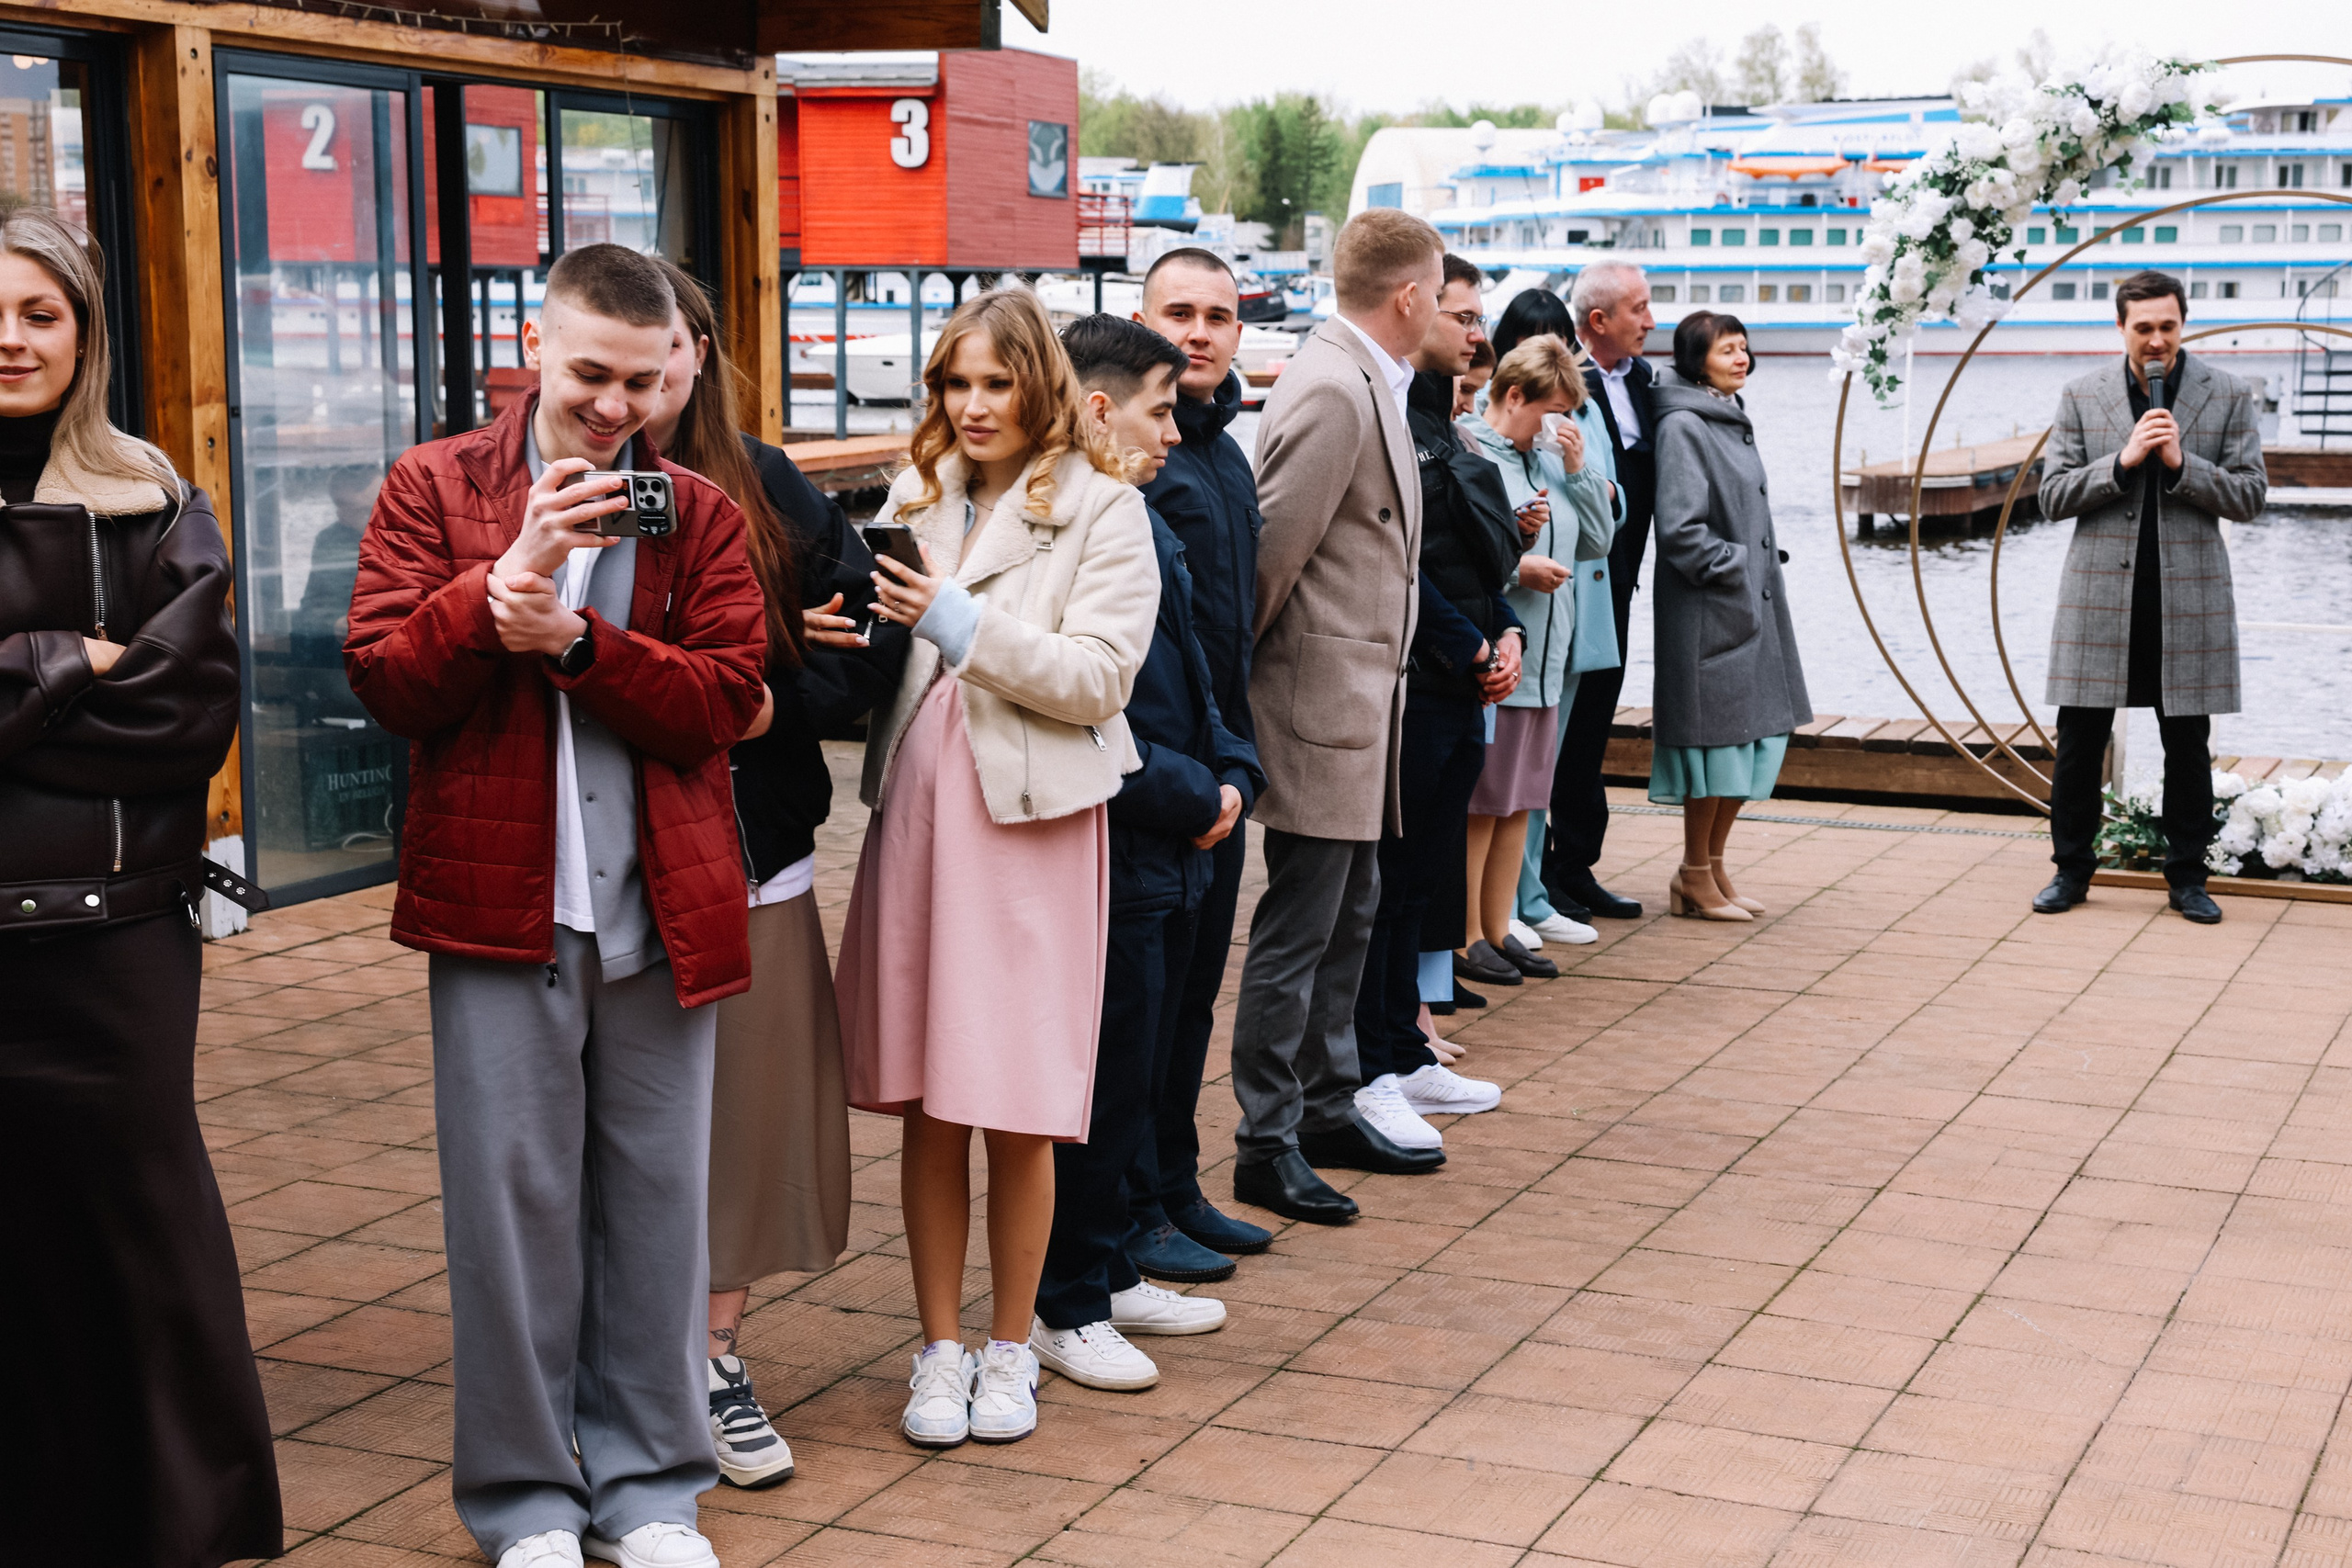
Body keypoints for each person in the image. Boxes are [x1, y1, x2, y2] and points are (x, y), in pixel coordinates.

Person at [346, 243, 766, 1568]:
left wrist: (579, 647)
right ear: (537, 344)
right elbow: (385, 682)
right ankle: (527, 1499)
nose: (616, 404)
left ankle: (650, 1489)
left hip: (662, 909)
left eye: (643, 380)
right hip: (497, 908)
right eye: (591, 372)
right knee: (508, 1216)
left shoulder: (694, 508)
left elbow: (723, 700)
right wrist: (492, 596)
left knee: (655, 1213)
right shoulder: (435, 482)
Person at [0, 206, 280, 1568]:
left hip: (120, 946)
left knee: (138, 1238)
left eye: (40, 313)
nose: (11, 335)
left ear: (84, 335)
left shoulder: (155, 494)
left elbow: (189, 710)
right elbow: (121, 690)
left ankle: (169, 1530)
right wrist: (74, 661)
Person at [835, 288, 1157, 1449]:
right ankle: (937, 1350)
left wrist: (959, 622)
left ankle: (1010, 1350)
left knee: (1016, 1103)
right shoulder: (917, 496)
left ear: (1039, 385)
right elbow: (891, 651)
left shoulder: (1103, 510)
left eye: (993, 383)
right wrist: (844, 635)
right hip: (917, 817)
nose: (971, 407)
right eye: (953, 385)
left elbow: (1098, 679)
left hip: (1029, 829)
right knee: (928, 1099)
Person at [639, 254, 906, 1490]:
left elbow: (864, 657)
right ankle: (619, 1362)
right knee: (613, 1135)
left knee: (742, 1126)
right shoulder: (552, 487)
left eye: (669, 342)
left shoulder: (773, 487)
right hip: (599, 866)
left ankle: (712, 1352)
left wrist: (757, 692)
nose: (645, 372)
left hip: (754, 856)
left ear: (699, 348)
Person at [1033, 313, 1263, 1392]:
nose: (1175, 430)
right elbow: (1091, 713)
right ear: (1095, 406)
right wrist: (1195, 788)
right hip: (1119, 837)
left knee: (1143, 1065)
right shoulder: (1066, 530)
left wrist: (1234, 769)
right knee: (1101, 1076)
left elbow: (1199, 677)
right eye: (1159, 408)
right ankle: (1066, 1298)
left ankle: (1112, 1261)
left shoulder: (1138, 518)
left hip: (1177, 826)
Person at [1232, 208, 1448, 1226]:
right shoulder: (1330, 384)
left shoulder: (1369, 378)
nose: (1445, 308)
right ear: (1407, 296)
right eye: (1440, 291)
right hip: (1318, 702)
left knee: (1348, 915)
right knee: (1299, 929)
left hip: (1363, 703)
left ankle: (1324, 1102)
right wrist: (1242, 697)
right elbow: (1272, 553)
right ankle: (1265, 1136)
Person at [1350, 248, 1519, 1159]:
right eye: (1460, 315)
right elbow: (1396, 563)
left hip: (1465, 678)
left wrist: (1506, 632)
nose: (1475, 333)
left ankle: (1407, 1046)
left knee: (1419, 881)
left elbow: (1471, 557)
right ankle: (1374, 1057)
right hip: (1415, 683)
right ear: (1414, 310)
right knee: (1387, 882)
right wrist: (1467, 641)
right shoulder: (1384, 417)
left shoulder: (1444, 421)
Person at [1129, 248, 1276, 1280]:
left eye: (1217, 316)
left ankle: (1174, 1185)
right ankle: (1133, 1207)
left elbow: (1230, 630)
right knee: (1143, 1011)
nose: (1198, 331)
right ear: (1141, 321)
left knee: (1189, 1003)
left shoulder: (1222, 453)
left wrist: (1236, 766)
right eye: (1177, 313)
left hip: (1218, 771)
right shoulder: (1134, 463)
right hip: (1150, 781)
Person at [2034, 269, 2266, 924]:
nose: (2156, 340)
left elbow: (2250, 495)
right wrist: (2124, 460)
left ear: (2183, 322)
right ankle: (2071, 871)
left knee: (2187, 743)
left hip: (2188, 598)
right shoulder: (2081, 395)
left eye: (2167, 326)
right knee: (2080, 741)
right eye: (2144, 329)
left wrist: (2183, 465)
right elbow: (2051, 496)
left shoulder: (2228, 393)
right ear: (2121, 329)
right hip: (2098, 596)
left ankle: (2188, 878)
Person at [1462, 333, 1619, 973]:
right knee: (1486, 802)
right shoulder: (1477, 453)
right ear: (1515, 395)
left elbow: (1599, 543)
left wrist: (1580, 471)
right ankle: (1466, 930)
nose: (1559, 425)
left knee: (1524, 800)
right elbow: (1460, 565)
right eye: (1552, 410)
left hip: (1549, 663)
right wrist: (1517, 570)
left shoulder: (1549, 458)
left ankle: (1501, 929)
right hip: (1502, 659)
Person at [1645, 312, 1810, 921]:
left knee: (1756, 735)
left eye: (1745, 348)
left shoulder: (1727, 415)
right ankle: (1693, 870)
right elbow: (1682, 532)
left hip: (1751, 604)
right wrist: (1735, 565)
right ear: (1696, 358)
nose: (1741, 358)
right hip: (1710, 607)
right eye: (1726, 349)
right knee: (1717, 744)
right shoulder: (1686, 424)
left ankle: (1712, 866)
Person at [1544, 261, 1657, 921]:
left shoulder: (1646, 381)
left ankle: (1576, 862)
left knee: (1595, 720)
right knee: (1562, 720)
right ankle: (1545, 868)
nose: (1649, 320)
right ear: (1598, 322)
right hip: (1573, 576)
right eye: (1638, 309)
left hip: (1622, 576)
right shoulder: (1570, 386)